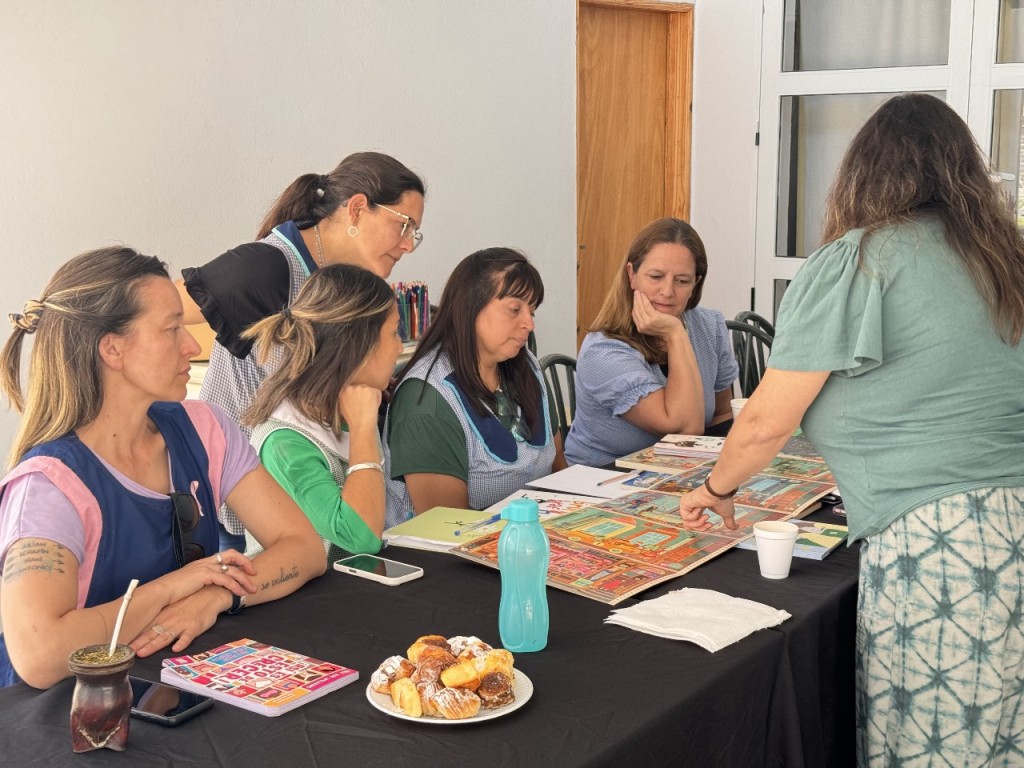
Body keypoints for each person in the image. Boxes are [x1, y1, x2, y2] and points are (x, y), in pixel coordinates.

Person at [678, 94, 1024, 766]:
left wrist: (716, 490)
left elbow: (764, 424)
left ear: (863, 172)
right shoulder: (1000, 263)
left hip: (941, 550)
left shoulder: (859, 261)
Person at [0, 248, 326, 689]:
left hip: (174, 693)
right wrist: (172, 589)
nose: (192, 347)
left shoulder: (205, 426)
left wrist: (216, 594)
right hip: (71, 723)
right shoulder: (47, 485)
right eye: (172, 329)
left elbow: (305, 549)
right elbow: (39, 657)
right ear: (112, 348)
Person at [177, 151, 425, 546]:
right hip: (247, 502)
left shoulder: (346, 277)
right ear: (358, 208)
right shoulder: (268, 267)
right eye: (404, 226)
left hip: (314, 494)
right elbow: (156, 308)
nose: (409, 245)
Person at [383, 248, 566, 523]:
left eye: (532, 311)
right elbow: (446, 525)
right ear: (470, 308)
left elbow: (560, 474)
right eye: (515, 309)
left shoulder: (525, 366)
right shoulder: (426, 399)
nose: (529, 323)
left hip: (530, 540)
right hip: (453, 557)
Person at [241, 264, 402, 557]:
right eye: (393, 333)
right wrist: (365, 428)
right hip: (305, 598)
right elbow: (359, 538)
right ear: (360, 347)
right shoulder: (285, 444)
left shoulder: (347, 408)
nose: (399, 347)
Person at [565, 218, 738, 466]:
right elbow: (684, 430)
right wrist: (675, 334)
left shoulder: (710, 326)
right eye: (656, 276)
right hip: (605, 478)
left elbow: (721, 415)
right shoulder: (602, 351)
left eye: (682, 280)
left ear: (695, 284)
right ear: (632, 275)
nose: (667, 291)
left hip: (682, 472)